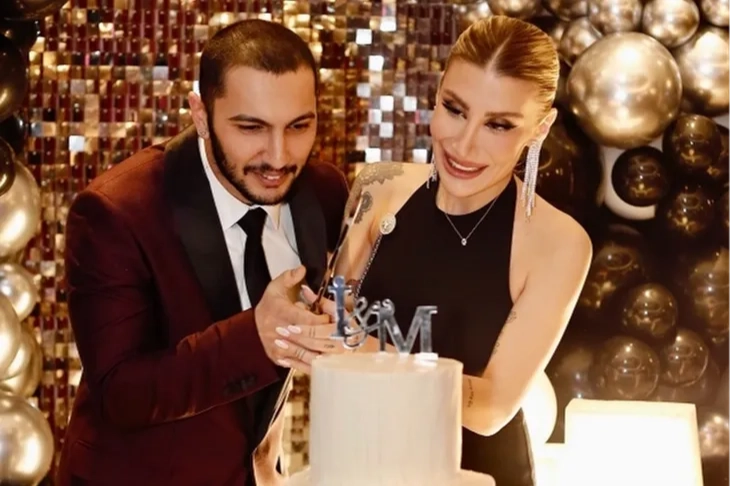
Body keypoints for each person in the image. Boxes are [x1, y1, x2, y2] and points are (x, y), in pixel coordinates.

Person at [57, 19, 347, 486]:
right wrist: (255, 339)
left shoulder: (324, 193)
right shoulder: (115, 212)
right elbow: (120, 394)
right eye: (251, 127)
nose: (278, 157)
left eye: (299, 126)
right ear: (199, 114)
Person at [309, 15, 592, 486]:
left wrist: (358, 350)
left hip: (474, 472)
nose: (463, 143)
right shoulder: (379, 187)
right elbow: (328, 325)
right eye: (454, 109)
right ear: (436, 94)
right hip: (361, 461)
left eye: (498, 125)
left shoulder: (557, 243)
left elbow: (492, 408)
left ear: (540, 129)